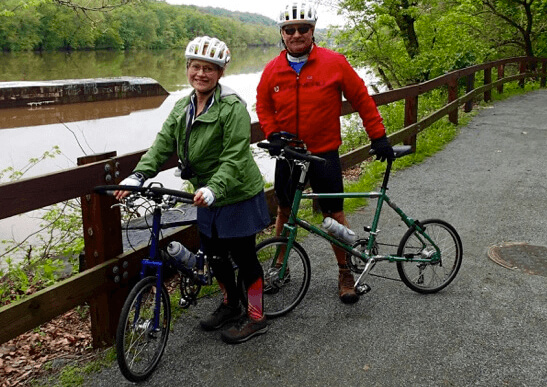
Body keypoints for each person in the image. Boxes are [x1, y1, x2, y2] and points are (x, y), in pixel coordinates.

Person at [114, 36, 271, 344]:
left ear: (220, 73)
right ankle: (230, 304)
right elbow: (162, 144)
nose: (201, 73)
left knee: (244, 256)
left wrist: (215, 187)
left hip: (236, 193)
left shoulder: (232, 107)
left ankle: (256, 317)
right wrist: (139, 175)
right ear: (187, 68)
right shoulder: (183, 105)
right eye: (195, 67)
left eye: (209, 68)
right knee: (214, 254)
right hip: (206, 195)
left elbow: (235, 155)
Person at [256, 2, 394, 304]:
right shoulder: (272, 69)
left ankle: (345, 272)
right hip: (290, 154)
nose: (296, 34)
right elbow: (263, 105)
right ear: (282, 33)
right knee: (285, 210)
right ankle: (280, 266)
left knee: (334, 213)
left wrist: (378, 136)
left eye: (302, 28)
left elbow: (361, 99)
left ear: (312, 30)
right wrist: (271, 133)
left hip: (324, 153)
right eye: (290, 30)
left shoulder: (334, 63)